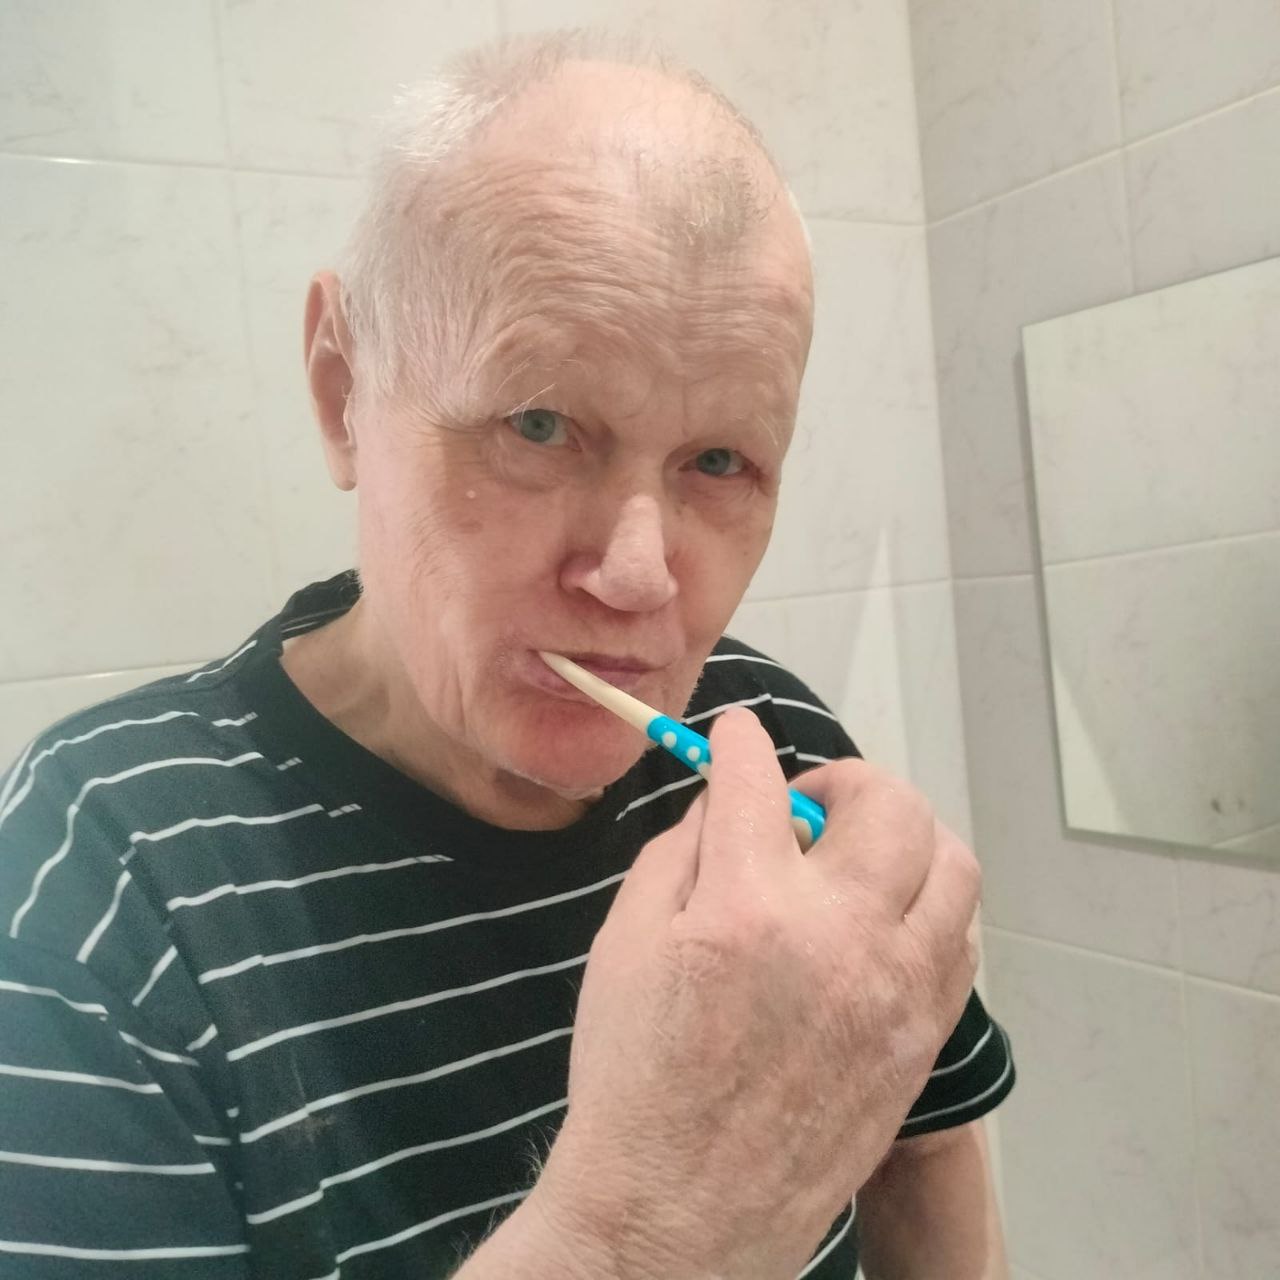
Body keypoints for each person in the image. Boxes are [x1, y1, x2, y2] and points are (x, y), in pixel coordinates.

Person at [0, 31, 1014, 1279]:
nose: (638, 574)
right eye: (538, 424)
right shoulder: (102, 877)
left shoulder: (767, 739)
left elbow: (923, 1145)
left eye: (717, 461)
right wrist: (649, 1226)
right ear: (342, 386)